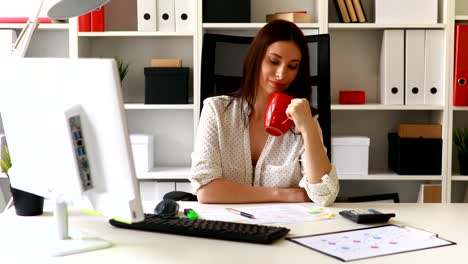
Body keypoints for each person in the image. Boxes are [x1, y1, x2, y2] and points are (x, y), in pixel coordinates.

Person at [190, 19, 339, 206]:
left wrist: (308, 128)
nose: (282, 74)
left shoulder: (304, 120)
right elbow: (206, 191)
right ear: (256, 59)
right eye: (274, 61)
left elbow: (324, 195)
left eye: (292, 66)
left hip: (287, 227)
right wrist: (283, 194)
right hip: (228, 227)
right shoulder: (216, 111)